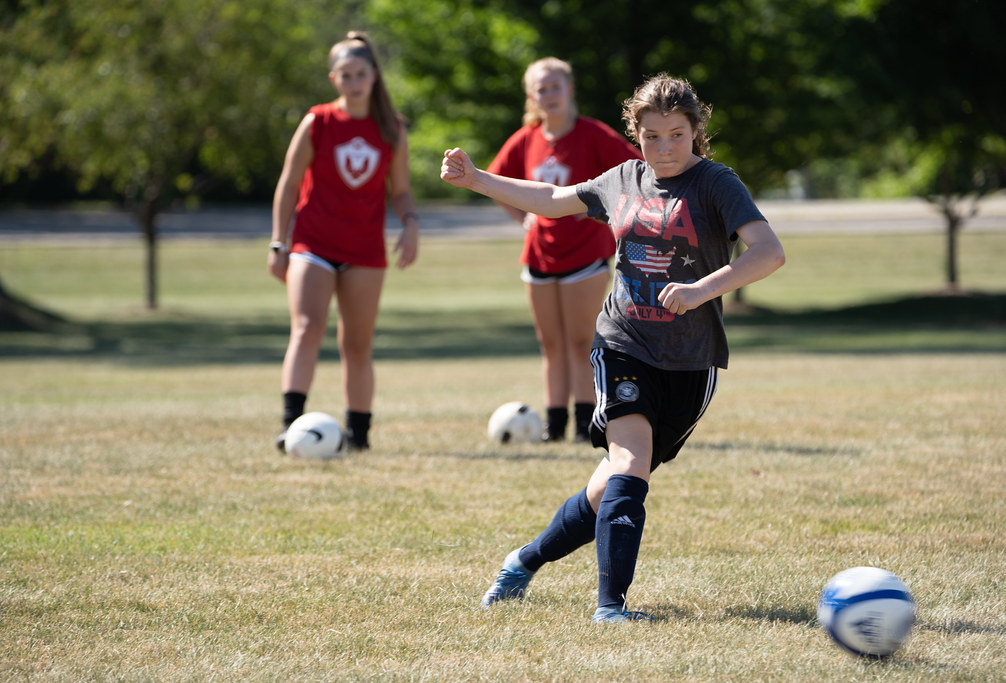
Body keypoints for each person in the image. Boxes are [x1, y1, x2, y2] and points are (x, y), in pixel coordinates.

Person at [440, 74, 785, 623]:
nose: (664, 148)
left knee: (611, 487)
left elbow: (768, 252)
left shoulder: (717, 184)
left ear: (697, 130)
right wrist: (478, 179)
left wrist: (700, 290)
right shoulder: (624, 179)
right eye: (651, 136)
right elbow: (553, 200)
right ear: (636, 135)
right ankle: (611, 609)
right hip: (623, 342)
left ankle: (522, 562)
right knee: (629, 461)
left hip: (691, 361)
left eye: (676, 134)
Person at [269, 31, 419, 452]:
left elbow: (401, 191)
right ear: (334, 78)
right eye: (346, 75)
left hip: (364, 250)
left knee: (357, 344)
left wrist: (410, 224)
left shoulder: (391, 128)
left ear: (374, 76)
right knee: (307, 327)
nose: (354, 82)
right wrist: (279, 243)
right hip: (312, 244)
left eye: (361, 74)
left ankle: (359, 435)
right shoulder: (317, 121)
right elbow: (289, 183)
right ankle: (291, 426)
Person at [487, 58, 642, 443]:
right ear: (531, 96)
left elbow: (636, 170)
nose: (549, 95)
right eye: (541, 89)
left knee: (581, 342)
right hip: (539, 256)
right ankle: (554, 426)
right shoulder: (526, 138)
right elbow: (494, 180)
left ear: (569, 90)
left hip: (586, 255)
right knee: (551, 345)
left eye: (555, 86)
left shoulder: (593, 133)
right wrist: (522, 218)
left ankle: (586, 424)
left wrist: (607, 213)